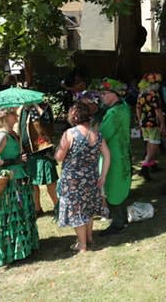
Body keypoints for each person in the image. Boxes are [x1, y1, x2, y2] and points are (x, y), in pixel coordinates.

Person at [0, 108, 39, 266]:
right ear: (6, 117)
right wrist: (13, 161)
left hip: (19, 179)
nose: (17, 115)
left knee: (21, 212)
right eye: (13, 113)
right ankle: (7, 250)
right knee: (9, 214)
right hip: (10, 183)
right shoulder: (1, 135)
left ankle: (22, 248)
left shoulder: (11, 132)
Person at [55, 102, 111, 253]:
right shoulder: (97, 134)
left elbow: (59, 157)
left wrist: (56, 150)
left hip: (73, 180)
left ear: (73, 116)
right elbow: (107, 155)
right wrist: (103, 176)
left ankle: (82, 244)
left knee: (76, 211)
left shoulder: (69, 134)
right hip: (91, 177)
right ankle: (89, 238)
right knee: (88, 209)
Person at [98, 78, 132, 235]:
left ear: (114, 95)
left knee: (113, 187)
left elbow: (102, 135)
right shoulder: (125, 108)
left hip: (113, 156)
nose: (102, 96)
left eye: (104, 93)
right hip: (124, 153)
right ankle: (122, 219)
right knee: (122, 184)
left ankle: (118, 223)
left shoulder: (113, 113)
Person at [19, 102, 58, 216]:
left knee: (50, 182)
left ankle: (58, 207)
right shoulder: (22, 110)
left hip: (43, 151)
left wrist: (36, 107)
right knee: (32, 182)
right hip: (28, 152)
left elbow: (47, 124)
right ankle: (37, 208)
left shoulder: (44, 108)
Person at [136, 73, 166, 181]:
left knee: (149, 143)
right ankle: (145, 166)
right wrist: (162, 123)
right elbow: (158, 111)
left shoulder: (141, 95)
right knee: (155, 145)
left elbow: (138, 108)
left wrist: (140, 120)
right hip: (153, 122)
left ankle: (151, 165)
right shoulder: (154, 95)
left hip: (144, 122)